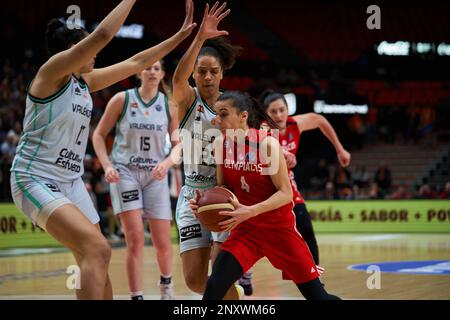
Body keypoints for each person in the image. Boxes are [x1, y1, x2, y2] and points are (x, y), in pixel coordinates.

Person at [9, 0, 196, 300]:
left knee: (97, 256)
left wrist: (178, 38)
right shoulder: (51, 72)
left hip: (70, 181)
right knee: (97, 248)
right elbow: (102, 36)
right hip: (35, 177)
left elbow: (136, 63)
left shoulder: (84, 82)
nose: (95, 54)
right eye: (87, 49)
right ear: (72, 51)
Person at [190, 91, 341, 300]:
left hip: (279, 230)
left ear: (243, 116)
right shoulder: (219, 145)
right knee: (215, 285)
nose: (217, 120)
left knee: (317, 297)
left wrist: (250, 210)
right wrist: (205, 203)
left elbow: (286, 193)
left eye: (223, 114)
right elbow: (224, 188)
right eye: (216, 114)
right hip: (247, 231)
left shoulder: (267, 145)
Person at [235, 90, 350, 295]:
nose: (279, 115)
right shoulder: (259, 128)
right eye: (274, 111)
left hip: (283, 186)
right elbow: (249, 140)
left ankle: (315, 283)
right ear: (266, 114)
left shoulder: (294, 124)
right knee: (253, 234)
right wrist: (281, 152)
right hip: (258, 186)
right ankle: (245, 270)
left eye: (282, 110)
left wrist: (340, 149)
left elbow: (320, 120)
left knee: (305, 225)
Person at [172, 2, 243, 299]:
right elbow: (177, 79)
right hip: (191, 195)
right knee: (193, 281)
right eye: (202, 72)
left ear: (222, 74)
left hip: (222, 194)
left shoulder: (235, 106)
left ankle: (230, 295)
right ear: (195, 75)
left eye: (214, 71)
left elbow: (249, 146)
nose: (208, 77)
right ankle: (234, 296)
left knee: (218, 281)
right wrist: (199, 37)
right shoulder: (188, 101)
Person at [92, 59, 180, 300]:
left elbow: (178, 146)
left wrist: (167, 163)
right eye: (147, 67)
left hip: (155, 175)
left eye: (156, 68)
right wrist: (107, 165)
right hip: (126, 173)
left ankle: (166, 285)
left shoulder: (169, 106)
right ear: (138, 72)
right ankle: (136, 296)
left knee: (163, 241)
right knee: (135, 238)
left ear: (162, 74)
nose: (151, 71)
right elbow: (98, 135)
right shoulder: (122, 99)